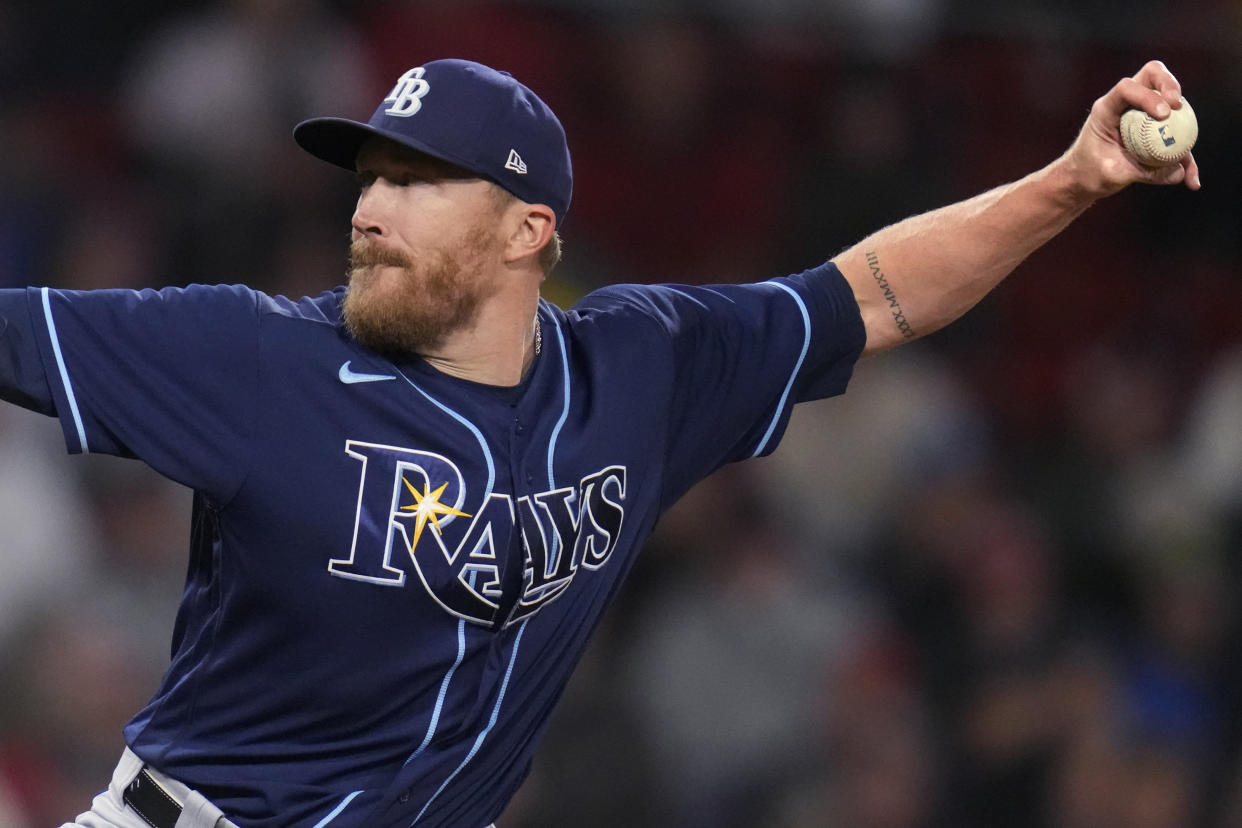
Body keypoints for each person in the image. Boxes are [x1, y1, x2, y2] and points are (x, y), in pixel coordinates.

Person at [0, 56, 1198, 828]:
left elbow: (873, 295)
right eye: (368, 179)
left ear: (530, 231)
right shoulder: (254, 359)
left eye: (418, 183)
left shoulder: (641, 370)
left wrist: (1074, 181)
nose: (368, 210)